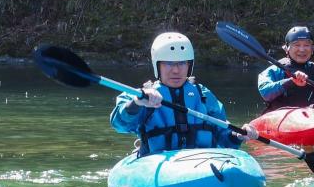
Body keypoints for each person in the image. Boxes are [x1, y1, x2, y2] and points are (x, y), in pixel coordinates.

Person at [111, 32, 258, 157]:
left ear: (189, 65)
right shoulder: (142, 96)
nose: (176, 70)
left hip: (202, 163)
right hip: (158, 165)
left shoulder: (203, 95)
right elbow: (119, 125)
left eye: (182, 63)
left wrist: (237, 135)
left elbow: (223, 138)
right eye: (168, 63)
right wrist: (137, 103)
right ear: (157, 65)